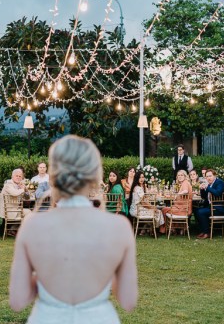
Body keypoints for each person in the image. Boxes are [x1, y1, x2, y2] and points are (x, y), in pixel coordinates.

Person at [9, 135, 137, 322]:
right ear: (95, 175)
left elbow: (18, 300)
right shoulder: (119, 227)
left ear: (54, 174)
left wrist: (43, 278)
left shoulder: (32, 225)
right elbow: (128, 300)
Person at [193, 169, 224, 239]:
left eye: (210, 176)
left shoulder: (220, 183)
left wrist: (207, 187)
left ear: (214, 176)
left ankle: (207, 232)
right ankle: (203, 230)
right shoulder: (210, 184)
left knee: (201, 212)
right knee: (196, 210)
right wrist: (202, 189)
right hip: (211, 207)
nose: (208, 178)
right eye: (207, 176)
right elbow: (204, 197)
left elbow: (217, 193)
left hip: (219, 209)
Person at [0, 169, 32, 235]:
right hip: (7, 211)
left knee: (29, 212)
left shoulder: (20, 185)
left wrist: (26, 190)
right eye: (16, 176)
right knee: (27, 213)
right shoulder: (8, 184)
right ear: (12, 176)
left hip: (16, 210)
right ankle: (18, 231)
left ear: (22, 177)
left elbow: (27, 198)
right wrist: (23, 189)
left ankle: (13, 229)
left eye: (20, 176)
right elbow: (14, 193)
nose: (18, 177)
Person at [160, 170, 192, 234]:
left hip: (183, 210)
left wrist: (178, 194)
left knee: (164, 209)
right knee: (167, 208)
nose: (180, 177)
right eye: (178, 175)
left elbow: (185, 191)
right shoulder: (185, 183)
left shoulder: (185, 183)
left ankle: (166, 229)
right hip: (183, 208)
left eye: (181, 175)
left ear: (185, 176)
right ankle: (177, 228)